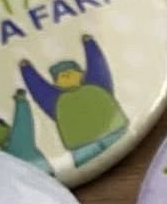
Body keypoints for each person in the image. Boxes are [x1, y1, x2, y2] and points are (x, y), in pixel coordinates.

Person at [19, 34, 129, 167]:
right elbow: (39, 89)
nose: (66, 76)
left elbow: (97, 66)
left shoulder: (96, 83)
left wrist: (89, 44)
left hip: (114, 131)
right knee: (87, 165)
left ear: (82, 74)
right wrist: (27, 70)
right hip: (82, 146)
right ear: (56, 83)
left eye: (70, 72)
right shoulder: (56, 100)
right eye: (61, 76)